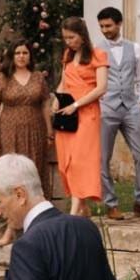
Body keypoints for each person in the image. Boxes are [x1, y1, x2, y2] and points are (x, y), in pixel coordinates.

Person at [0, 41, 54, 245]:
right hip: (10, 131)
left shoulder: (38, 77)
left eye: (25, 52)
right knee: (13, 178)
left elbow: (45, 104)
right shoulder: (2, 78)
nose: (21, 56)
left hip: (35, 131)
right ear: (12, 56)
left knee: (34, 176)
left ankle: (37, 226)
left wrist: (49, 131)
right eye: (17, 53)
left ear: (30, 56)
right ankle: (10, 230)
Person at [95, 7, 140, 220]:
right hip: (107, 108)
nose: (105, 30)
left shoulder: (135, 48)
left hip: (131, 108)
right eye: (102, 26)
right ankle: (111, 203)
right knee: (103, 158)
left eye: (108, 26)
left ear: (119, 24)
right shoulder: (96, 50)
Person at [54, 17, 107, 216]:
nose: (68, 42)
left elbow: (101, 88)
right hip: (67, 114)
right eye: (65, 38)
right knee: (65, 161)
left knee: (80, 161)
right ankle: (83, 208)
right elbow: (63, 83)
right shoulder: (67, 55)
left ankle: (74, 211)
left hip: (87, 114)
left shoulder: (98, 55)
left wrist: (76, 105)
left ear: (82, 36)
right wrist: (57, 99)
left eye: (72, 37)